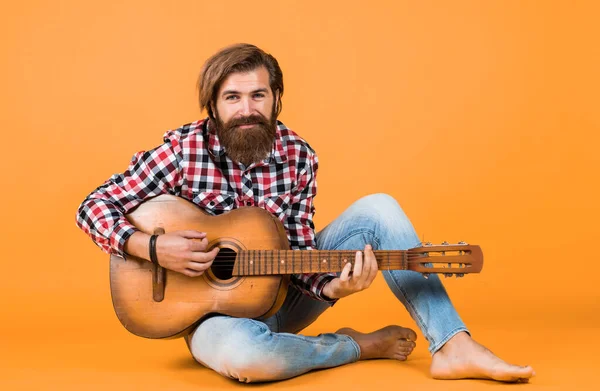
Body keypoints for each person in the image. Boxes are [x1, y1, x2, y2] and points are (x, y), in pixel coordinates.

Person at [76, 43, 535, 383]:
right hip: (210, 318)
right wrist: (152, 247)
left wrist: (335, 286)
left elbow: (299, 249)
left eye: (258, 95)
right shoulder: (183, 149)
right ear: (213, 106)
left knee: (380, 207)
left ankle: (454, 345)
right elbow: (93, 205)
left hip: (282, 297)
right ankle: (356, 346)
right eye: (232, 98)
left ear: (276, 98)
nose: (246, 109)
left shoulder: (298, 155)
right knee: (248, 360)